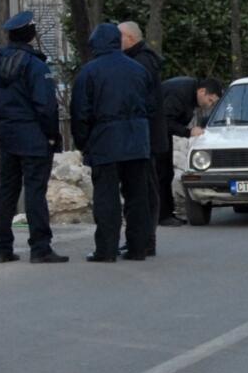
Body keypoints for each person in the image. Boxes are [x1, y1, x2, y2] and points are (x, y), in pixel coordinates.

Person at [0, 11, 69, 264]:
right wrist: (52, 135)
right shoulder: (36, 65)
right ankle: (40, 247)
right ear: (29, 34)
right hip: (34, 136)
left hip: (8, 136)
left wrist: (0, 126)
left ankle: (3, 247)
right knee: (34, 192)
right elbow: (46, 106)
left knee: (7, 192)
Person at [70, 23, 153, 262]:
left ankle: (106, 249)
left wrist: (83, 142)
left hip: (105, 141)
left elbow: (80, 113)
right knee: (137, 197)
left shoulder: (89, 72)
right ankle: (138, 247)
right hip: (137, 140)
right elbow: (151, 104)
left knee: (107, 199)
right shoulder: (138, 69)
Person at [118, 21, 165, 256]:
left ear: (129, 38)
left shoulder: (141, 62)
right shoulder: (145, 59)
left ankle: (145, 239)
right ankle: (143, 238)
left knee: (144, 190)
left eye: (119, 37)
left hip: (145, 138)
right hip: (147, 137)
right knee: (143, 189)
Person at [161, 76, 222, 224]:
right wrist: (188, 132)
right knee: (161, 173)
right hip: (153, 133)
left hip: (160, 134)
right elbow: (164, 121)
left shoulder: (189, 92)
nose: (209, 105)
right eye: (210, 101)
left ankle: (167, 213)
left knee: (166, 172)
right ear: (202, 92)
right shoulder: (180, 94)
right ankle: (163, 216)